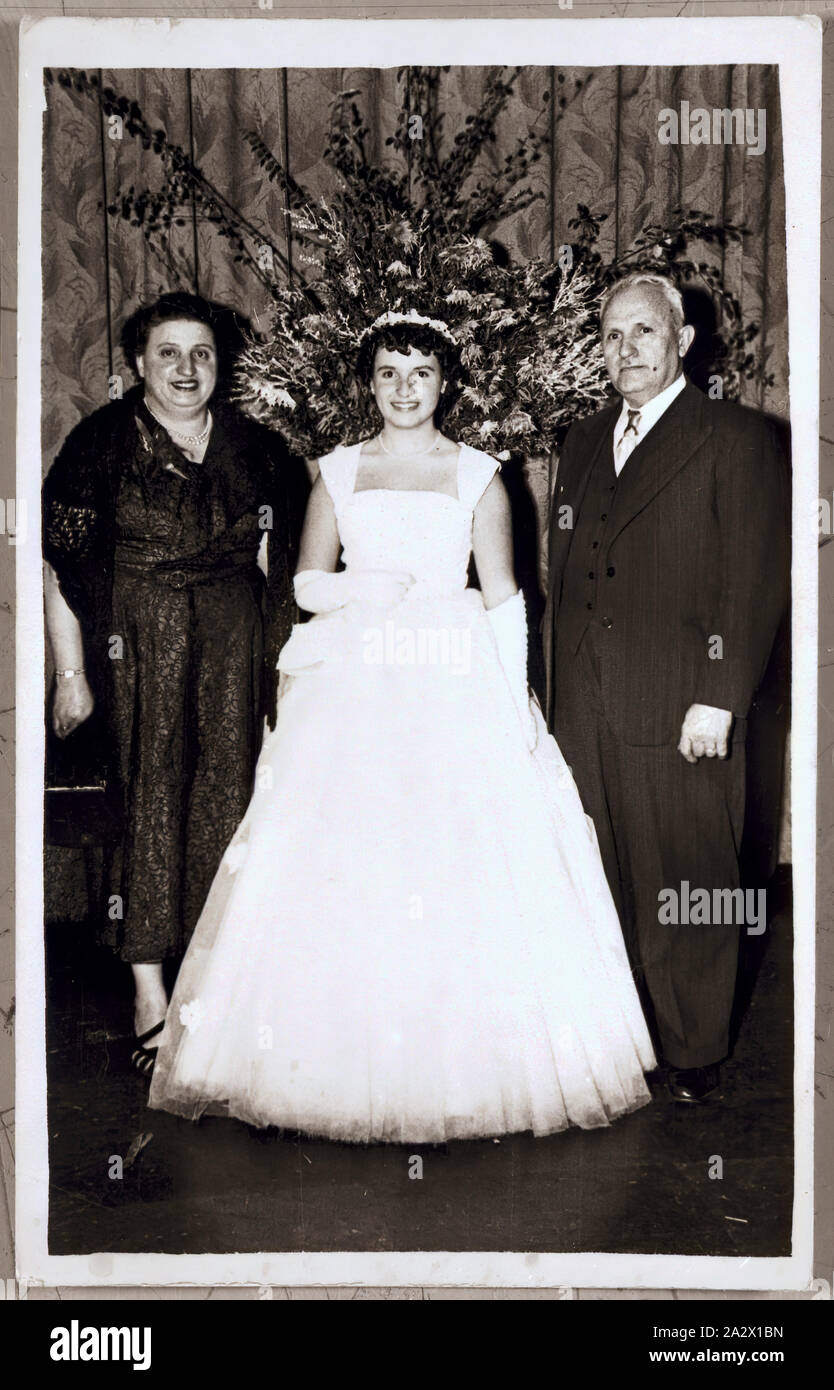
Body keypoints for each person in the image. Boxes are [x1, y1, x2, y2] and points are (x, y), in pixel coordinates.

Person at [148, 309, 655, 1143]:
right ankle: (330, 1063)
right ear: (369, 382)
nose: (404, 389)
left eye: (421, 373)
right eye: (388, 373)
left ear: (444, 383)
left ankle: (462, 1064)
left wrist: (513, 710)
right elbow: (308, 585)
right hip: (357, 679)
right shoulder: (338, 474)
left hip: (453, 681)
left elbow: (503, 600)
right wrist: (358, 590)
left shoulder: (480, 476)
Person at [43, 291, 305, 1075]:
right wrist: (70, 675)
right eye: (168, 353)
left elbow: (283, 567)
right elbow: (62, 573)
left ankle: (217, 988)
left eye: (202, 354)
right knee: (150, 796)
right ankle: (149, 993)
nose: (186, 370)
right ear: (137, 364)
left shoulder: (258, 451)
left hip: (233, 639)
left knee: (230, 792)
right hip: (137, 642)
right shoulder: (98, 445)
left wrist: (284, 671)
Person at [542, 272, 789, 1104]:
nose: (626, 350)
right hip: (585, 706)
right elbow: (566, 573)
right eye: (611, 336)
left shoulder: (736, 436)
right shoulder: (578, 441)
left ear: (682, 341)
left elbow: (752, 579)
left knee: (688, 879)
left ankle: (693, 1051)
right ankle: (627, 1034)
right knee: (604, 878)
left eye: (643, 332)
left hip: (684, 704)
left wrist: (720, 695)